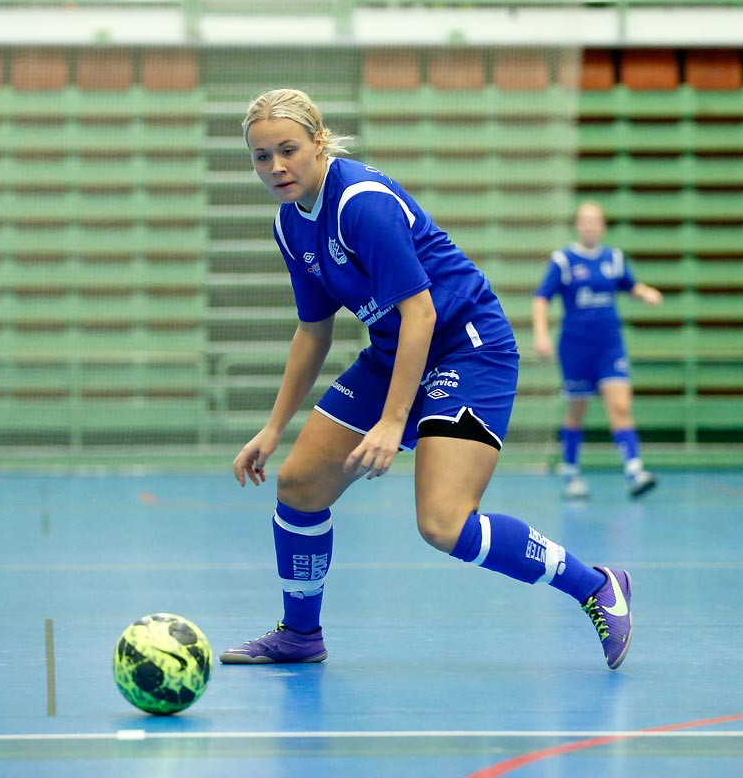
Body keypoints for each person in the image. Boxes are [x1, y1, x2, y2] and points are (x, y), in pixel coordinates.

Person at [219, 89, 634, 670]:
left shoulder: (360, 203)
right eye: (261, 157)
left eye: (287, 150)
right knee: (298, 486)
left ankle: (596, 586)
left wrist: (392, 422)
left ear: (318, 141)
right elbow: (313, 331)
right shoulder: (291, 226)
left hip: (468, 349)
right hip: (396, 352)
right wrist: (272, 427)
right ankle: (299, 635)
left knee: (443, 524)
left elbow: (423, 313)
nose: (276, 167)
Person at [532, 202, 663, 500]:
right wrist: (541, 334)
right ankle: (571, 472)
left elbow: (629, 285)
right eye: (584, 221)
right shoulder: (563, 260)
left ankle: (634, 470)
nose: (590, 226)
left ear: (603, 226)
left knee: (620, 406)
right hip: (576, 348)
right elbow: (541, 298)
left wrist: (646, 293)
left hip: (609, 345)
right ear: (577, 225)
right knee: (576, 410)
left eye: (595, 221)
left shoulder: (613, 258)